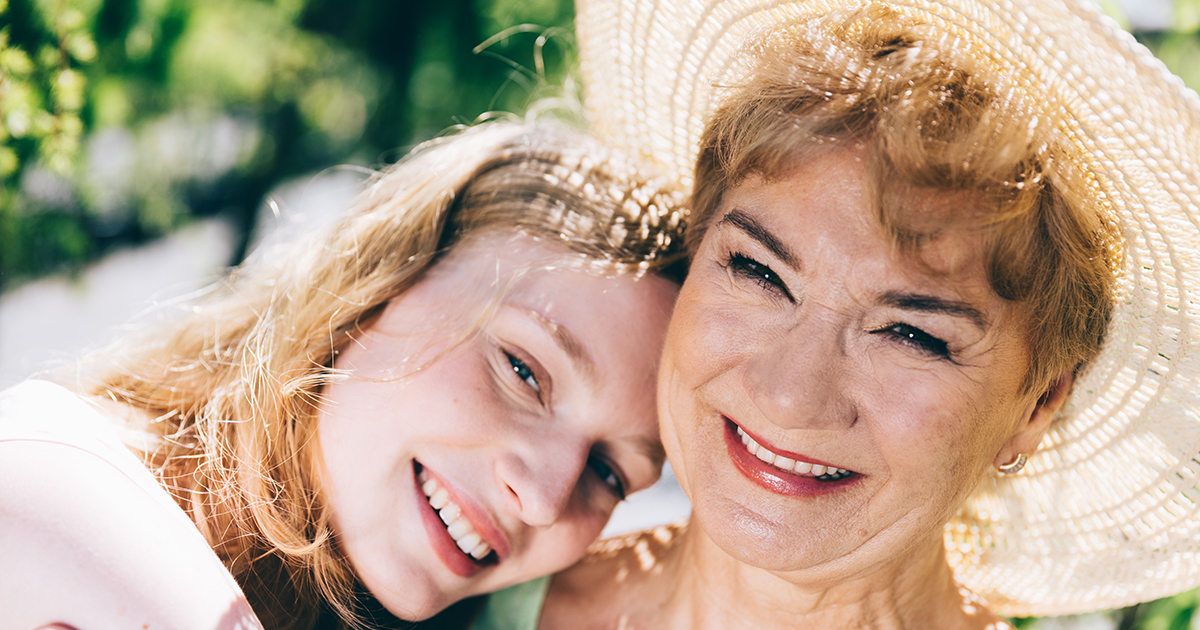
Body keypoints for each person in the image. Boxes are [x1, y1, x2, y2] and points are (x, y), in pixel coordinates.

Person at [472, 0, 1200, 627]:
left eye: (912, 334)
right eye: (760, 272)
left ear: (1037, 405)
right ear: (694, 254)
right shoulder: (495, 576)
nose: (789, 393)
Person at [0, 121, 689, 629]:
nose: (543, 500)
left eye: (609, 473)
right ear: (382, 283)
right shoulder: (48, 493)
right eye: (523, 371)